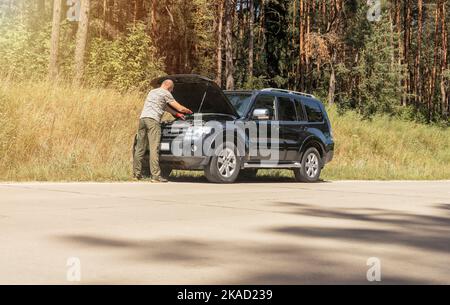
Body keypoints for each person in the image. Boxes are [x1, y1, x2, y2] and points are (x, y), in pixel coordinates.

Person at [133, 79, 193, 183]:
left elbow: (164, 106)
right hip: (153, 121)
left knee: (140, 147)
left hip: (143, 119)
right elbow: (179, 107)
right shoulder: (166, 93)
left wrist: (176, 114)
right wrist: (188, 111)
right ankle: (156, 176)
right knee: (154, 148)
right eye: (172, 89)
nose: (172, 91)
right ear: (169, 87)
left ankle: (136, 174)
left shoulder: (152, 92)